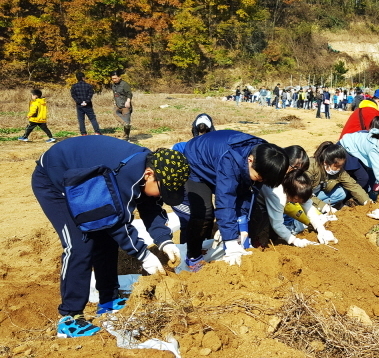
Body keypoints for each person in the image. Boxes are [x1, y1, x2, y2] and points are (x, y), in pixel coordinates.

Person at [32, 136, 189, 337]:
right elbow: (116, 221)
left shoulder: (148, 170)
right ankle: (69, 317)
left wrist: (164, 240)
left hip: (89, 180)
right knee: (80, 244)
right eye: (162, 189)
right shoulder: (128, 177)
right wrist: (144, 255)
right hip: (56, 181)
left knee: (105, 238)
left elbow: (150, 208)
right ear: (149, 175)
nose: (160, 196)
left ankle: (108, 298)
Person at [183, 130, 289, 270]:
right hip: (196, 161)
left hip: (217, 160)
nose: (261, 181)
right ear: (250, 160)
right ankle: (193, 256)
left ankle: (236, 241)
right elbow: (225, 201)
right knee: (204, 213)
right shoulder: (231, 160)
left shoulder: (265, 158)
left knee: (240, 201)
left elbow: (248, 195)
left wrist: (242, 227)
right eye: (259, 178)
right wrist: (231, 242)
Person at [250, 146, 337, 248]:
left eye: (301, 170)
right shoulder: (277, 190)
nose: (297, 173)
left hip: (274, 201)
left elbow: (307, 202)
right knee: (258, 224)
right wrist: (295, 240)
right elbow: (277, 224)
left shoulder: (295, 180)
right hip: (257, 200)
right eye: (295, 168)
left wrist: (320, 228)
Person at [171, 113, 216, 243]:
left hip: (186, 196)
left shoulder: (180, 147)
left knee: (198, 219)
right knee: (195, 220)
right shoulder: (212, 150)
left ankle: (195, 250)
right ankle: (193, 252)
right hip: (185, 197)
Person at [339, 124, 379, 199]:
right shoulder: (374, 148)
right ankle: (347, 198)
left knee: (370, 179)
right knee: (363, 178)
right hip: (347, 148)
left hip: (360, 151)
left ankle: (365, 195)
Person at [307, 141, 370, 210]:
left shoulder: (339, 171)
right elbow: (302, 193)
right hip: (304, 196)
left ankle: (321, 208)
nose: (339, 169)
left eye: (341, 166)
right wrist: (323, 207)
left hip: (317, 194)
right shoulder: (310, 167)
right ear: (326, 163)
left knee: (341, 192)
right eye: (337, 166)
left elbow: (353, 186)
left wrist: (367, 202)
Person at [110, 70, 133, 141]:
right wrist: (114, 101)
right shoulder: (113, 85)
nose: (114, 80)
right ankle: (124, 123)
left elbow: (129, 94)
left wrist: (128, 101)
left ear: (119, 77)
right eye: (112, 78)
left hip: (125, 105)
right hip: (118, 104)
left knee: (127, 122)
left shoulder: (124, 84)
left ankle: (126, 137)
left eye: (115, 78)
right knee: (115, 113)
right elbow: (115, 94)